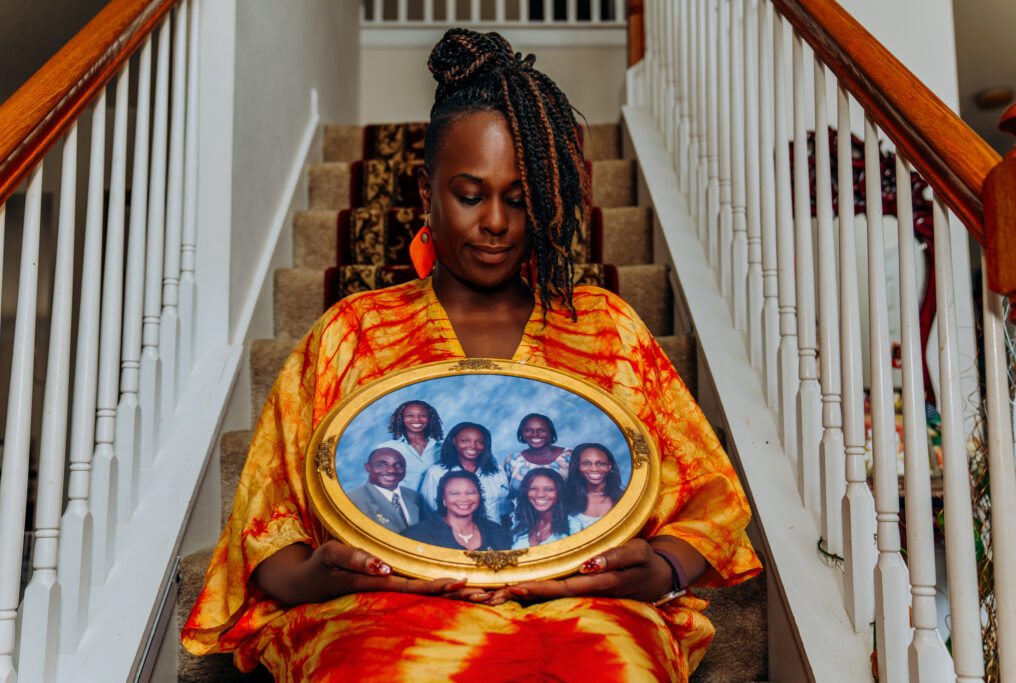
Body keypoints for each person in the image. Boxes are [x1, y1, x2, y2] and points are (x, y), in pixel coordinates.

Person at [182, 28, 761, 681]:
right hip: (386, 613)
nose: (496, 221)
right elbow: (269, 523)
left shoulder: (607, 329)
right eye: (470, 194)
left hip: (585, 611)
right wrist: (315, 575)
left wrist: (664, 566)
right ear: (426, 193)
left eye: (518, 199)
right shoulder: (353, 333)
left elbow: (712, 494)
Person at [419, 422, 512, 525]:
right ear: (454, 441)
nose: (473, 446)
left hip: (494, 536)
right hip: (450, 536)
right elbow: (429, 512)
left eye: (479, 442)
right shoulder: (436, 473)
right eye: (465, 441)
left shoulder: (497, 471)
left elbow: (505, 511)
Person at [402, 470, 511, 551]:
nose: (464, 499)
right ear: (443, 497)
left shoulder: (497, 532)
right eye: (454, 493)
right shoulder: (418, 535)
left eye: (470, 492)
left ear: (479, 496)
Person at [346, 448, 432, 534]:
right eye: (382, 464)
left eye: (398, 465)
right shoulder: (353, 501)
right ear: (368, 468)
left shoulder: (414, 496)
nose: (391, 470)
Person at [377, 399, 444, 489]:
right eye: (409, 415)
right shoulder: (386, 448)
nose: (416, 419)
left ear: (430, 419)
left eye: (423, 415)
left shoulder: (442, 448)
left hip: (434, 502)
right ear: (401, 419)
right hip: (401, 502)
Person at [511, 468, 582, 548]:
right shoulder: (518, 526)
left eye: (549, 489)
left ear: (559, 493)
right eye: (533, 488)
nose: (540, 494)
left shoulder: (574, 527)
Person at [502, 413, 572, 494]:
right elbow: (505, 495)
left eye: (541, 430)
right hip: (520, 507)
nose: (535, 434)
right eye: (529, 430)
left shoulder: (569, 456)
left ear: (551, 432)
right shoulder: (512, 460)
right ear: (522, 433)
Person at [565, 442, 624, 529]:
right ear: (577, 466)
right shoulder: (566, 499)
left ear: (609, 466)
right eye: (586, 463)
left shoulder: (624, 496)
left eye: (600, 463)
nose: (594, 469)